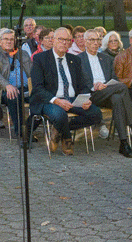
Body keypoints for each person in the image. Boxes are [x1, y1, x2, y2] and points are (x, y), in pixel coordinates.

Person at [29, 27, 102, 155]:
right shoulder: (41, 59)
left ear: (70, 42)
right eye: (61, 39)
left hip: (72, 99)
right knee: (60, 115)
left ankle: (59, 129)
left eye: (67, 40)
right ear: (53, 40)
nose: (64, 42)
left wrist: (86, 99)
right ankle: (67, 138)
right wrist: (57, 101)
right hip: (49, 100)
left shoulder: (75, 60)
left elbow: (83, 85)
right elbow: (37, 87)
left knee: (96, 114)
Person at [79, 29, 132, 157]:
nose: (96, 43)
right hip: (92, 95)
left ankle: (123, 143)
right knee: (122, 87)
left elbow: (115, 80)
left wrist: (106, 85)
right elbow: (78, 83)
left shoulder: (105, 58)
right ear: (84, 42)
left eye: (98, 40)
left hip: (109, 93)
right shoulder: (78, 59)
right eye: (92, 40)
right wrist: (94, 87)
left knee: (118, 98)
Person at [0, 28, 30, 134]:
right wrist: (7, 86)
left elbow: (32, 72)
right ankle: (21, 133)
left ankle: (31, 128)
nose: (9, 41)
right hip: (4, 90)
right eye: (6, 39)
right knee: (14, 96)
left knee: (44, 97)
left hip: (27, 88)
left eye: (12, 39)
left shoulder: (23, 54)